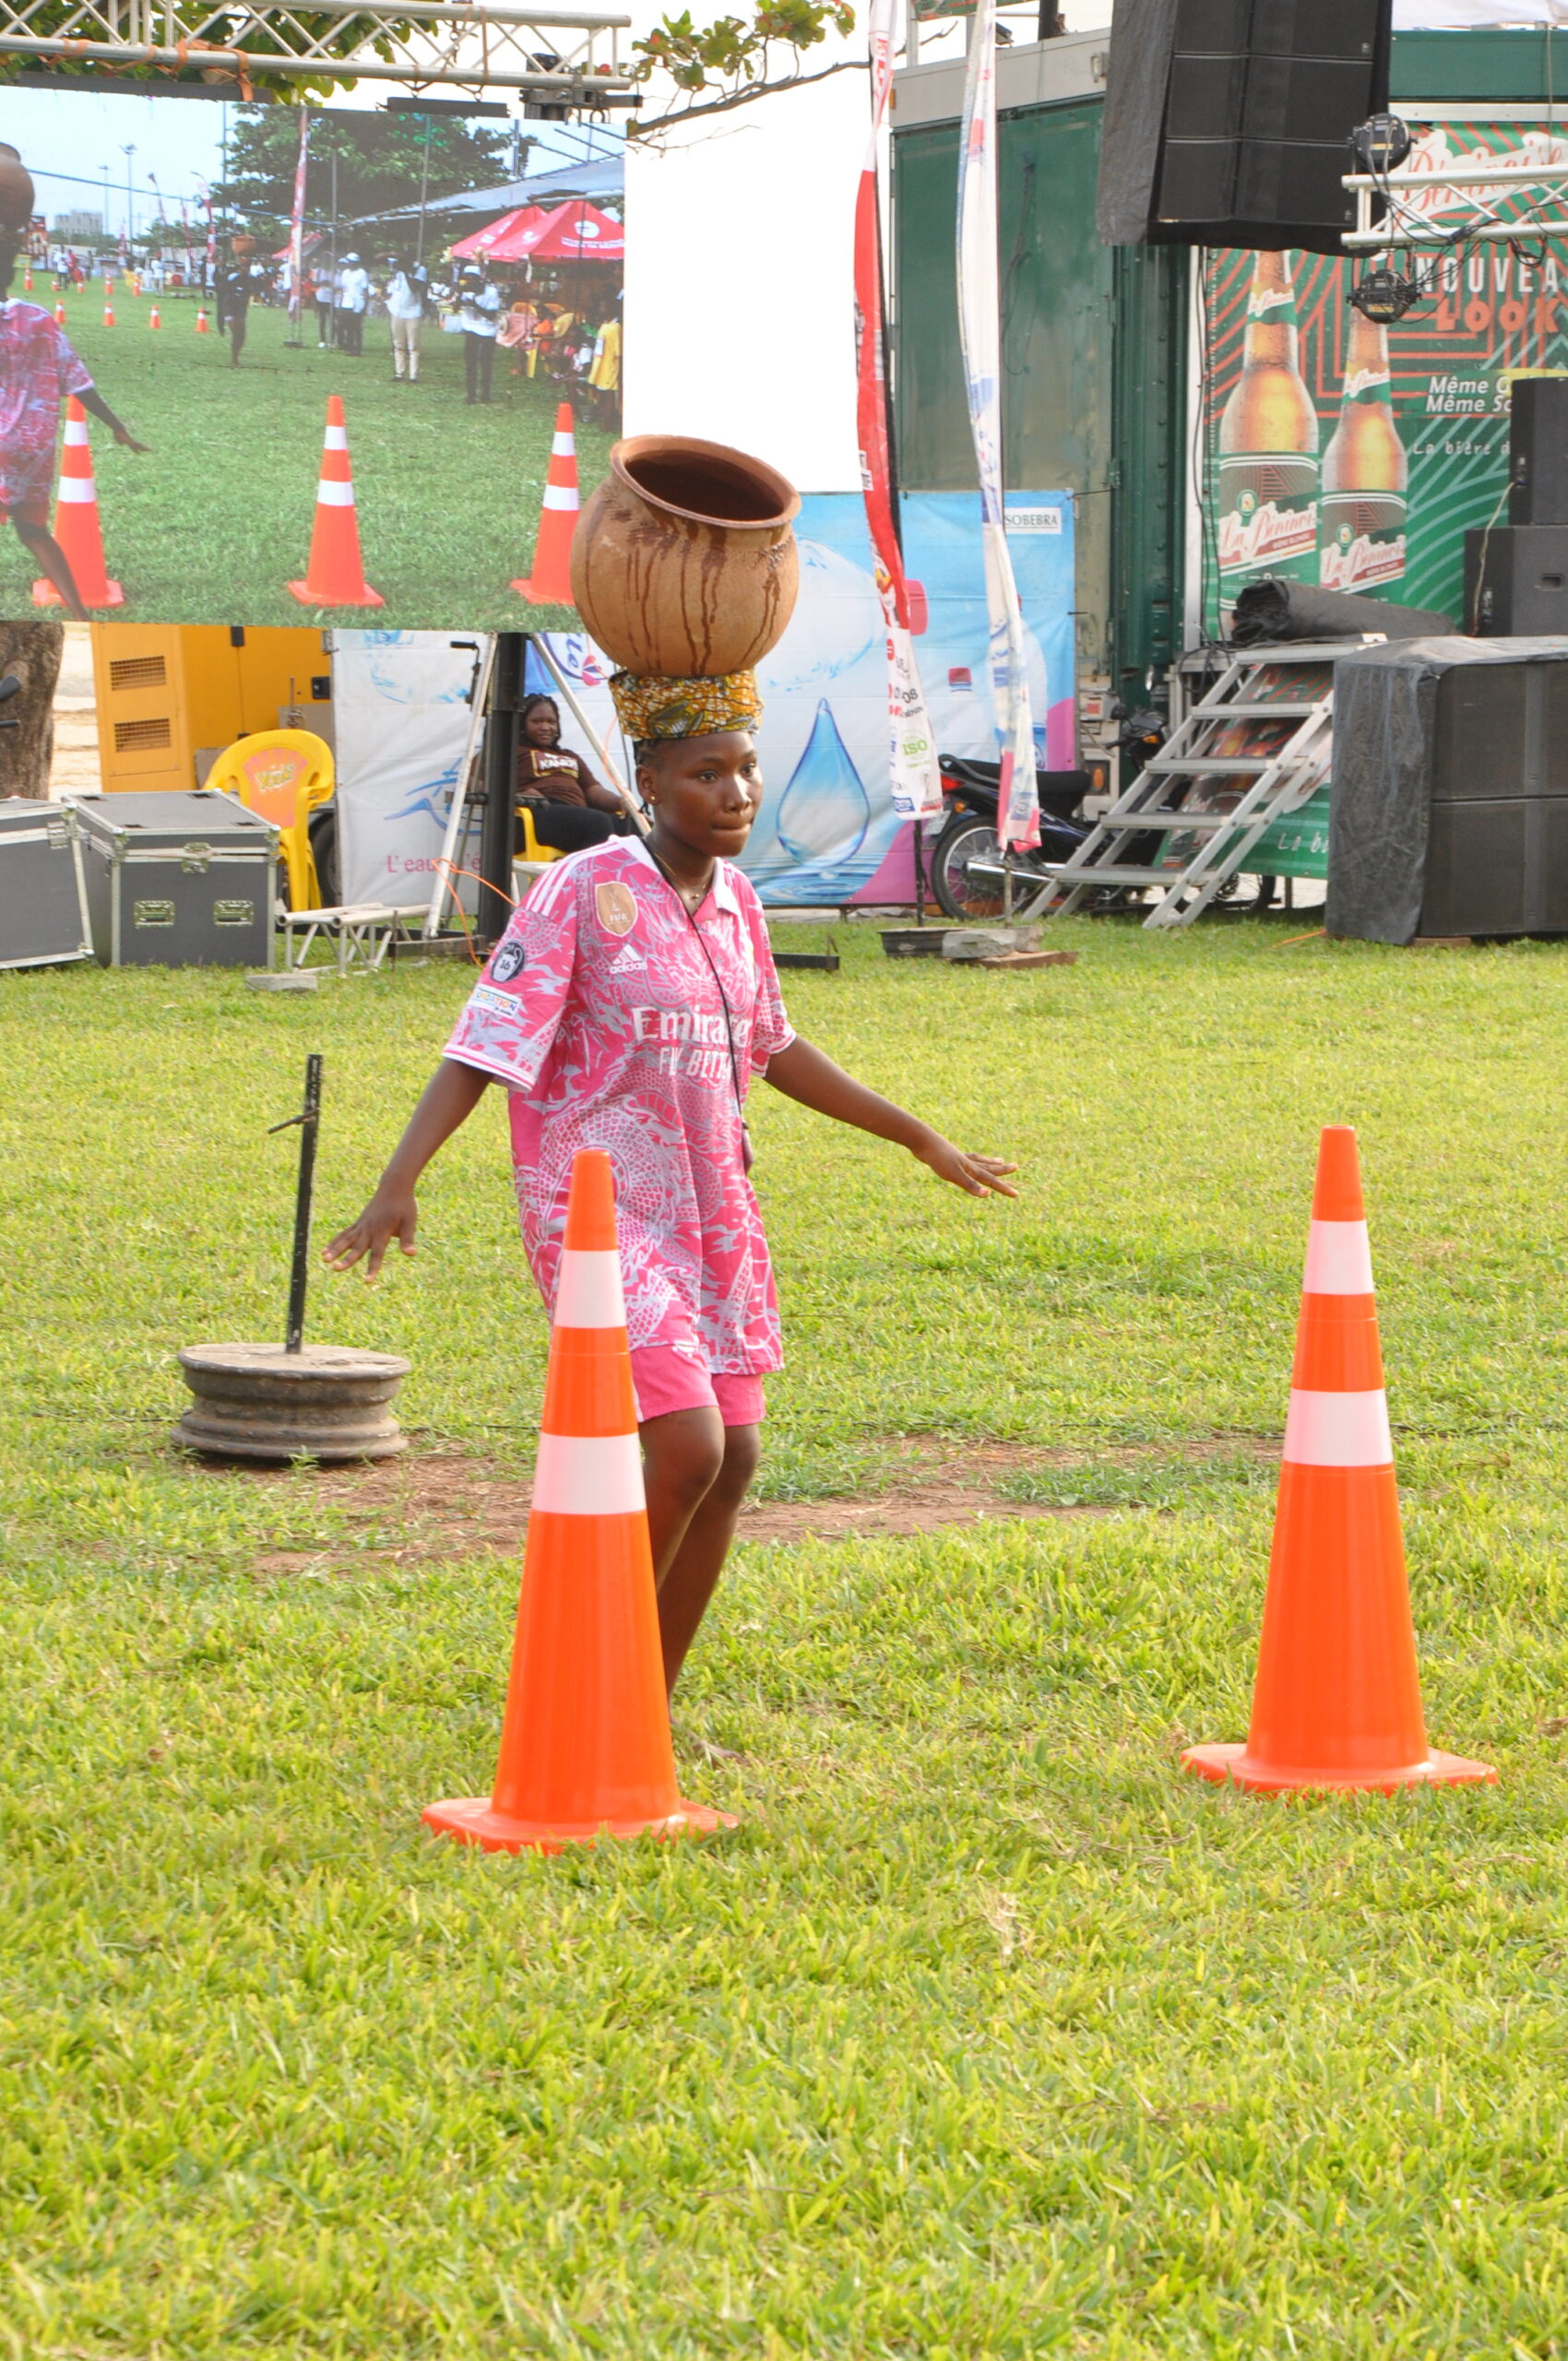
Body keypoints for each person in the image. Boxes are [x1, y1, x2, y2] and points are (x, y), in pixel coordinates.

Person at [323, 667, 1017, 1699]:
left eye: (746, 769)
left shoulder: (738, 902)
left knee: (734, 1458)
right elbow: (485, 1041)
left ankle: (647, 1698)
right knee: (688, 1448)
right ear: (649, 783)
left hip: (712, 1209)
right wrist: (398, 1180)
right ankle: (582, 1676)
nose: (737, 793)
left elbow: (775, 1047)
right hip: (600, 1213)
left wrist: (917, 1136)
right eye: (706, 774)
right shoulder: (580, 888)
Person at [0, 232, 148, 618]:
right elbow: (79, 382)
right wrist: (117, 427)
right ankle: (81, 615)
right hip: (34, 446)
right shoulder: (39, 320)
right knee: (32, 530)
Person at [515, 693, 634, 853]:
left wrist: (621, 802)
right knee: (598, 822)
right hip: (539, 811)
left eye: (551, 722)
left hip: (577, 813)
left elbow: (593, 790)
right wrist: (519, 795)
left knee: (633, 823)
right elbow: (482, 783)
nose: (545, 727)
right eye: (537, 721)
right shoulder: (515, 751)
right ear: (523, 723)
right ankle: (591, 870)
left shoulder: (569, 755)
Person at [457, 265, 501, 403]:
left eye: (473, 279)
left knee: (485, 363)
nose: (470, 282)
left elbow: (491, 315)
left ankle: (485, 395)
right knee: (470, 363)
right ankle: (471, 395)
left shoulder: (491, 292)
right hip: (471, 329)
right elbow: (455, 308)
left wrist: (474, 305)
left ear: (479, 280)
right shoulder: (466, 291)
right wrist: (459, 295)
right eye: (467, 279)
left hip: (488, 330)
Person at [383, 253, 422, 384]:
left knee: (413, 345)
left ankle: (413, 375)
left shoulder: (419, 270)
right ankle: (399, 372)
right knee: (398, 344)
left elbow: (414, 288)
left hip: (413, 312)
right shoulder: (397, 273)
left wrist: (406, 272)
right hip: (397, 311)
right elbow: (391, 290)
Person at [336, 253, 369, 356]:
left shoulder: (362, 273)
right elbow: (343, 289)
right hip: (346, 302)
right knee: (346, 326)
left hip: (357, 303)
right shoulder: (345, 273)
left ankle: (357, 348)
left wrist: (365, 306)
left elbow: (365, 290)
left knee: (356, 327)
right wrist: (340, 303)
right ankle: (349, 346)